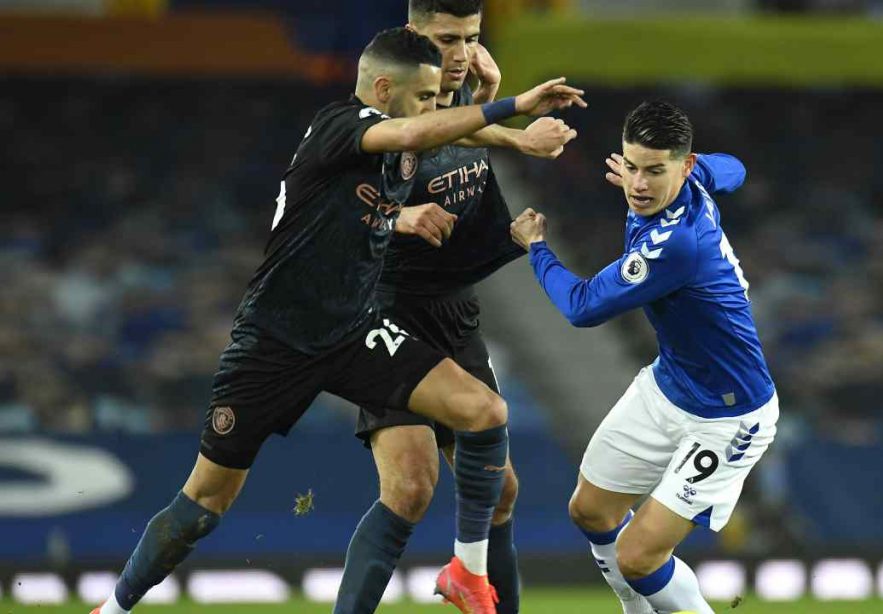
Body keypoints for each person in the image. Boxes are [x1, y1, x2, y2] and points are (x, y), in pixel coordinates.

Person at [91, 26, 585, 614]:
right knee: (202, 507)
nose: (435, 107)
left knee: (484, 410)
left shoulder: (404, 145)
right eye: (426, 97)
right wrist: (514, 106)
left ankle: (467, 570)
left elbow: (447, 140)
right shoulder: (340, 126)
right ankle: (115, 608)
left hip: (354, 331)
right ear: (383, 89)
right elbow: (417, 130)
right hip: (274, 340)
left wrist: (507, 131)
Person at [337, 2, 579, 613]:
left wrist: (499, 118)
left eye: (471, 37)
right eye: (447, 38)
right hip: (388, 316)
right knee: (412, 486)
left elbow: (456, 141)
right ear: (413, 35)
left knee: (500, 491)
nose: (462, 52)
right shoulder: (383, 111)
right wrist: (509, 120)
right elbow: (335, 209)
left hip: (454, 313)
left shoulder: (458, 100)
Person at [509, 100, 778, 614]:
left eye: (655, 170)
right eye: (631, 166)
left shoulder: (676, 244)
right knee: (591, 510)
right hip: (669, 385)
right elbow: (736, 169)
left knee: (637, 557)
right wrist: (664, 174)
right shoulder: (696, 180)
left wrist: (537, 247)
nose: (638, 184)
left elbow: (583, 307)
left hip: (729, 416)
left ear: (685, 165)